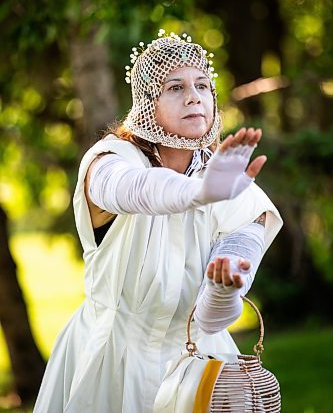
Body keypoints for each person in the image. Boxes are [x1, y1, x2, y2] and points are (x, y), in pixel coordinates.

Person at [33, 30, 282, 413]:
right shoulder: (110, 160)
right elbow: (135, 189)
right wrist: (197, 194)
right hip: (110, 361)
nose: (194, 96)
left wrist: (222, 289)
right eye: (175, 87)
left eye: (202, 85)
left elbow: (213, 317)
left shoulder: (229, 181)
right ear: (148, 102)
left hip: (201, 366)